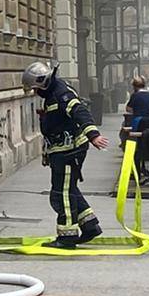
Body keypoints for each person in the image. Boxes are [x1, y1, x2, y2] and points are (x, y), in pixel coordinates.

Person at [22, 61, 108, 248]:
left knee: (61, 194)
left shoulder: (62, 94)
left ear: (43, 83)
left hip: (69, 152)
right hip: (63, 151)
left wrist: (93, 135)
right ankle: (90, 225)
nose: (36, 93)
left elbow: (80, 112)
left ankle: (67, 237)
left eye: (36, 89)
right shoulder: (53, 93)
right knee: (70, 190)